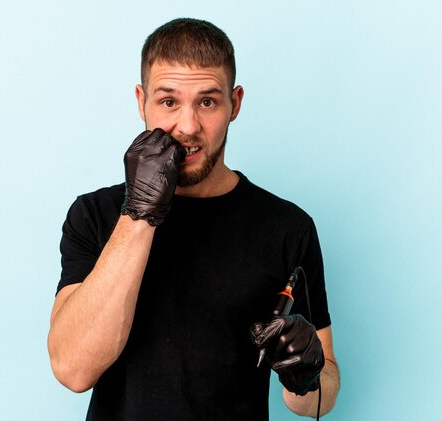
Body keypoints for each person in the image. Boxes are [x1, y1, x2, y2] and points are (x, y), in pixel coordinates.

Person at [48, 18, 340, 420]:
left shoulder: (287, 228)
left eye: (207, 102)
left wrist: (306, 375)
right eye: (168, 101)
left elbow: (319, 397)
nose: (187, 127)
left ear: (234, 104)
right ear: (141, 102)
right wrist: (139, 213)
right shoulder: (94, 215)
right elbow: (73, 369)